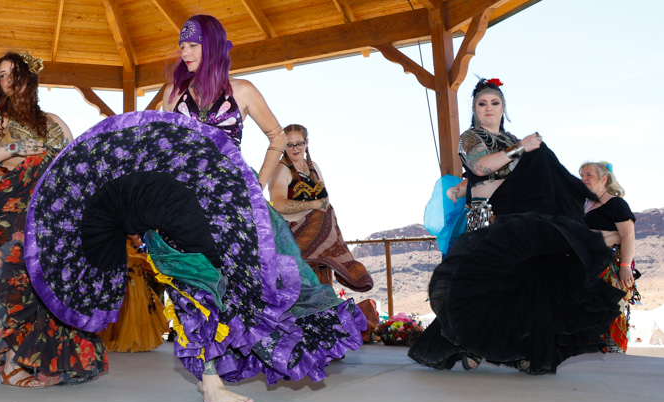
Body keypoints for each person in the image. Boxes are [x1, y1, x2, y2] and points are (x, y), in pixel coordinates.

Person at [24, 15, 365, 402]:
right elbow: (155, 151)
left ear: (214, 46)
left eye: (193, 45)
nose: (184, 52)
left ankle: (222, 370)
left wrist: (257, 178)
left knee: (255, 284)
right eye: (182, 46)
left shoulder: (243, 90)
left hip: (230, 208)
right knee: (192, 289)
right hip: (177, 208)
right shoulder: (173, 94)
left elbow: (275, 136)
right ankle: (210, 382)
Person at [408, 78, 623, 374]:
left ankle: (516, 351)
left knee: (520, 286)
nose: (489, 108)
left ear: (503, 108)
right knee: (481, 286)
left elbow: (508, 175)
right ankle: (470, 345)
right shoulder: (471, 137)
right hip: (487, 218)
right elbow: (480, 167)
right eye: (482, 103)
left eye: (495, 103)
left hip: (516, 219)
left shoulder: (510, 138)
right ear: (474, 108)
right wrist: (519, 149)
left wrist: (518, 156)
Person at [0, 51, 107, 387]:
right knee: (13, 282)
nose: (8, 80)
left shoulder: (54, 121)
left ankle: (44, 363)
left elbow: (75, 165)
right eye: (1, 75)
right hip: (11, 211)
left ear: (29, 77)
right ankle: (13, 364)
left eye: (13, 73)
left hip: (49, 215)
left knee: (48, 287)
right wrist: (15, 146)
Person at [269, 123, 373, 292]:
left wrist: (321, 205)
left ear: (306, 143)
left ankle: (331, 261)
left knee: (326, 215)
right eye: (289, 145)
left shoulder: (313, 168)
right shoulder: (281, 170)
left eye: (299, 144)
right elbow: (277, 204)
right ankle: (332, 262)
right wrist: (313, 205)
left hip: (319, 235)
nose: (295, 149)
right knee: (321, 215)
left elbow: (324, 198)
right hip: (292, 235)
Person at [580, 161, 640, 352]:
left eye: (589, 174)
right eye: (581, 175)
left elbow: (628, 235)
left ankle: (613, 348)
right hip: (584, 263)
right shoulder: (582, 203)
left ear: (603, 178)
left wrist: (625, 266)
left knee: (610, 304)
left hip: (608, 265)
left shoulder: (615, 203)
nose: (583, 179)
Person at [101, 236, 166, 353]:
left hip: (129, 269)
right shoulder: (127, 229)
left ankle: (129, 339)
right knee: (130, 302)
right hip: (127, 264)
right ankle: (130, 340)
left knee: (132, 302)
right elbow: (134, 239)